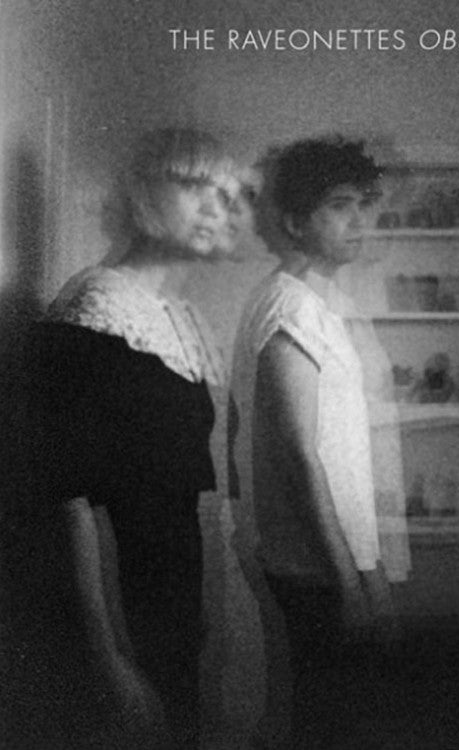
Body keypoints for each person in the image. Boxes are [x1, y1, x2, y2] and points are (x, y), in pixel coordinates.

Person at [11, 128, 244, 750]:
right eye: (193, 185)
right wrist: (109, 658)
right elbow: (69, 503)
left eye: (224, 195)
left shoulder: (178, 318)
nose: (214, 208)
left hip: (175, 605)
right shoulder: (93, 310)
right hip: (122, 615)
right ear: (143, 193)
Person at [228, 135, 405, 748]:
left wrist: (368, 566)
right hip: (311, 564)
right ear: (293, 222)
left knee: (336, 719)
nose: (358, 221)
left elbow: (341, 451)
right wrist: (349, 581)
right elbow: (300, 454)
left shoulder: (318, 303)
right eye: (338, 205)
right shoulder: (291, 306)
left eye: (362, 204)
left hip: (330, 557)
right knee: (325, 725)